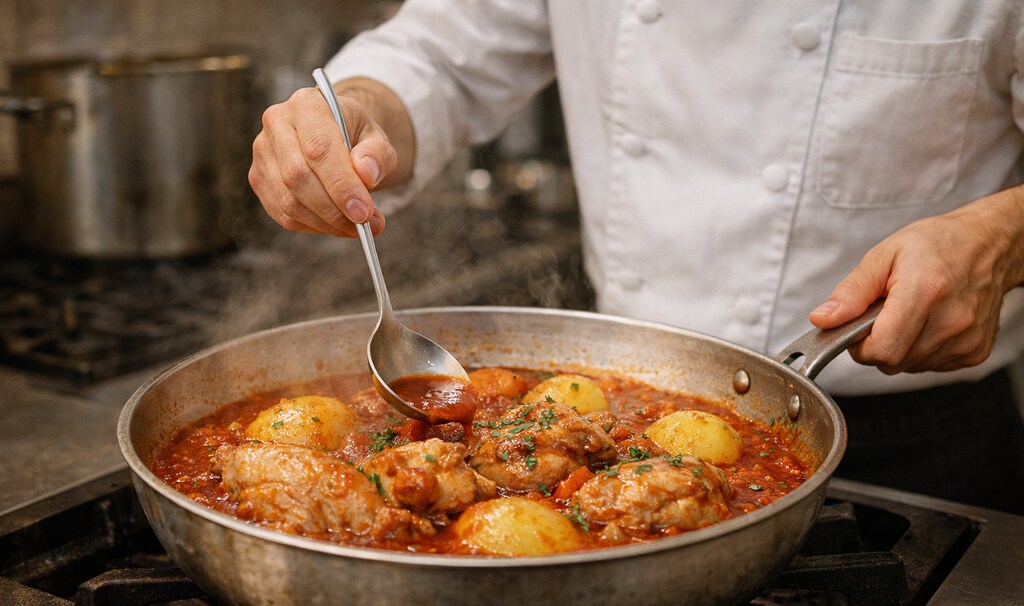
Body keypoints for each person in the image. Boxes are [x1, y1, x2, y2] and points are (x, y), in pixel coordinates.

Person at [248, 1, 1024, 514]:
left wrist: (998, 236)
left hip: (919, 443)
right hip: (624, 377)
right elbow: (442, 54)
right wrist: (358, 113)